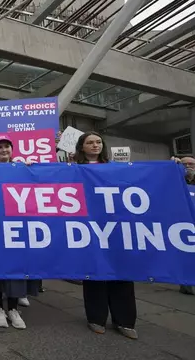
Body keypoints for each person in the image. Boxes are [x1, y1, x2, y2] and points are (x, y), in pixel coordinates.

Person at [75, 131, 138, 340]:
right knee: (94, 273)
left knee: (122, 271)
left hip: (116, 227)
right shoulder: (74, 168)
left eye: (98, 142)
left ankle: (125, 320)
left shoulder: (115, 168)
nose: (95, 145)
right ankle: (96, 317)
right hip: (89, 227)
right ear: (81, 147)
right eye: (90, 142)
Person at [0, 135, 38, 330]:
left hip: (16, 225)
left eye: (7, 147)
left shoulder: (21, 167)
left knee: (15, 269)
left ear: (12, 150)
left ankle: (12, 308)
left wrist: (31, 169)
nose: (3, 150)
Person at [173, 155, 194, 295]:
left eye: (191, 164)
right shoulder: (174, 180)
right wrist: (172, 167)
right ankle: (186, 284)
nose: (188, 167)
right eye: (184, 164)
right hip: (182, 225)